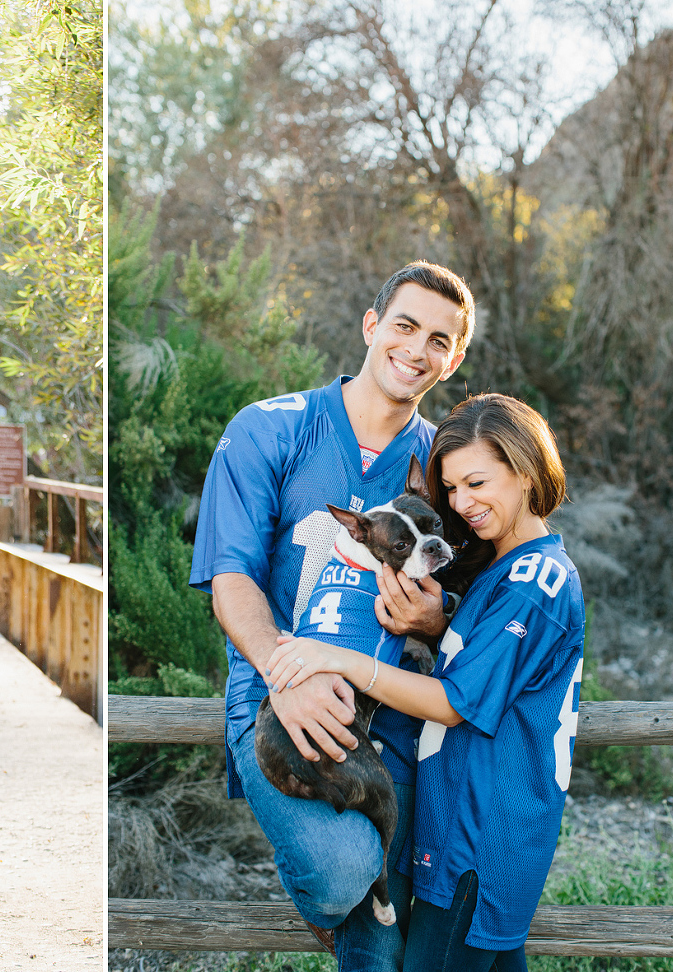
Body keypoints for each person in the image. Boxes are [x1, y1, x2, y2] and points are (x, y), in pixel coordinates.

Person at [189, 261, 475, 968]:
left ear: (454, 357)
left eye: (438, 339)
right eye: (404, 326)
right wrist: (287, 675)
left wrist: (433, 624)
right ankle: (322, 900)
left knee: (399, 940)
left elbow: (467, 600)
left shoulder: (444, 461)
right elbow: (231, 581)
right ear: (371, 326)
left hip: (403, 714)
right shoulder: (269, 428)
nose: (416, 349)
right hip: (278, 699)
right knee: (345, 871)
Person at [267, 394, 584, 972]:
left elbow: (452, 703)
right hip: (459, 824)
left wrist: (337, 659)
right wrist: (434, 624)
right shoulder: (500, 569)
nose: (463, 503)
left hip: (482, 836)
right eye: (453, 488)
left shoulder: (534, 581)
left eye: (478, 482)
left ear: (526, 469)